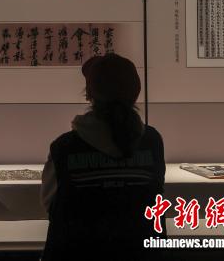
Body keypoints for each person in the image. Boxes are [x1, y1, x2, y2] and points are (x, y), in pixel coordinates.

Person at [41, 53, 166, 261]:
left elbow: (50, 204)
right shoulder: (152, 141)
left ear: (89, 95)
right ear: (135, 94)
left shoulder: (64, 147)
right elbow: (156, 193)